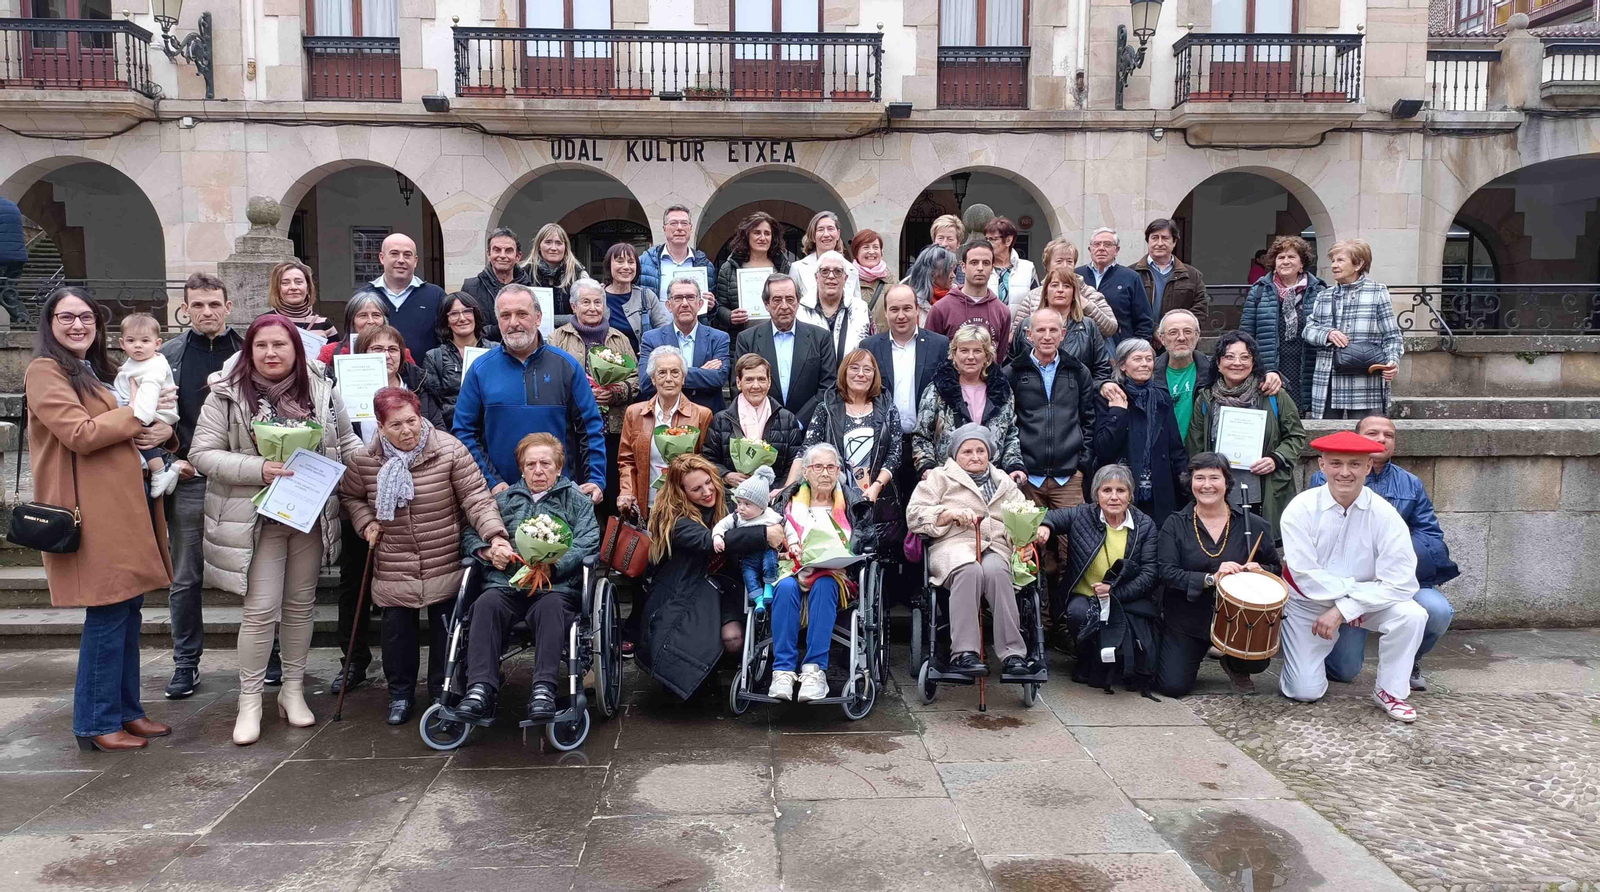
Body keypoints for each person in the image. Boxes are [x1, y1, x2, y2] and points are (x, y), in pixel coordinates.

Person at [189, 314, 364, 745]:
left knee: (301, 607)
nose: (271, 353)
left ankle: (292, 690)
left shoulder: (321, 389)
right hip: (255, 520)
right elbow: (202, 454)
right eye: (261, 345)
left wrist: (375, 467)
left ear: (296, 349)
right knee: (261, 610)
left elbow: (347, 442)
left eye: (280, 345)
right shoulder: (227, 393)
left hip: (308, 515)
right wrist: (259, 469)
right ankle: (250, 700)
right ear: (249, 350)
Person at [27, 287, 178, 751]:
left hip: (123, 504)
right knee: (109, 612)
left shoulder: (97, 370)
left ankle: (126, 711)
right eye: (67, 317)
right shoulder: (45, 370)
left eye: (87, 317)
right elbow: (80, 433)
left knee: (128, 611)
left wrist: (162, 428)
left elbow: (135, 426)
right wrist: (137, 413)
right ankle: (96, 722)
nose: (78, 325)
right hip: (91, 511)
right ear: (49, 323)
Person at [339, 387, 508, 725]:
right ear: (380, 426)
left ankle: (442, 693)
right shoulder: (364, 460)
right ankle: (400, 695)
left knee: (447, 632)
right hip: (394, 560)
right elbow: (350, 496)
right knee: (397, 634)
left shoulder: (449, 450)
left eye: (411, 421)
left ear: (421, 418)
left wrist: (495, 535)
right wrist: (366, 522)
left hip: (444, 556)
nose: (406, 431)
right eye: (396, 425)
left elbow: (476, 498)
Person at [1278, 431, 1427, 722]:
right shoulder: (1300, 509)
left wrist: (1346, 608)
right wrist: (1353, 599)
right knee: (1304, 690)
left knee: (1412, 615)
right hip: (1309, 604)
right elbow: (1305, 575)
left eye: (1354, 464)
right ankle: (1306, 663)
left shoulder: (1384, 514)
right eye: (1336, 463)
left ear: (1368, 467)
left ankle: (1391, 691)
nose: (1345, 472)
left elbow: (1401, 580)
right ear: (1322, 465)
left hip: (1364, 602)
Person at [453, 433, 601, 723]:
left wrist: (555, 566)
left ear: (559, 467)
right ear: (521, 469)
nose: (538, 471)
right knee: (485, 605)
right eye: (530, 464)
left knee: (551, 608)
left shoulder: (576, 501)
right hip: (505, 584)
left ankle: (544, 689)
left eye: (545, 464)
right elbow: (471, 534)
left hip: (555, 587)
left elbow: (588, 542)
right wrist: (488, 550)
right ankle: (479, 688)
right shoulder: (503, 500)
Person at [1312, 414, 1457, 692]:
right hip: (1350, 581)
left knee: (1437, 610)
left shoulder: (1411, 484)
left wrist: (1392, 553)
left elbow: (1430, 535)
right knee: (1344, 671)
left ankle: (1409, 660)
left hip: (1396, 576)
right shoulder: (1329, 476)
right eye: (1373, 434)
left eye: (1388, 435)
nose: (1381, 439)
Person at [160, 274, 244, 700]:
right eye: (198, 305)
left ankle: (266, 656)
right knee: (185, 577)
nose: (206, 312)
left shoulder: (247, 352)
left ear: (228, 307)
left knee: (255, 571)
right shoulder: (167, 356)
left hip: (241, 478)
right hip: (190, 479)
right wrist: (170, 461)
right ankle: (186, 662)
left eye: (214, 304)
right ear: (185, 308)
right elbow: (147, 417)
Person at [640, 454, 782, 700]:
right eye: (696, 489)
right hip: (685, 590)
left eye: (708, 482)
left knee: (734, 638)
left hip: (726, 585)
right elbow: (708, 542)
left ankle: (725, 667)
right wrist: (763, 534)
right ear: (681, 492)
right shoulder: (672, 517)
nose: (707, 492)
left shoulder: (730, 503)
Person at [454, 283, 606, 501]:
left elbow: (590, 428)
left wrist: (596, 479)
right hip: (501, 496)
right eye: (505, 315)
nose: (513, 323)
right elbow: (464, 431)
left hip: (559, 496)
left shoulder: (566, 366)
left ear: (538, 317)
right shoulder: (480, 369)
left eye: (522, 314)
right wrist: (491, 481)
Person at [906, 424, 1031, 677]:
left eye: (980, 451)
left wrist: (1022, 541)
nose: (975, 456)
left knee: (997, 571)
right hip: (953, 546)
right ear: (955, 454)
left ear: (989, 453)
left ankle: (1013, 654)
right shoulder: (939, 478)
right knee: (969, 570)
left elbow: (1020, 518)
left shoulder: (1004, 482)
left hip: (995, 547)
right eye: (967, 451)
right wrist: (947, 514)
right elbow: (914, 515)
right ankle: (964, 653)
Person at [1154, 452, 1281, 697]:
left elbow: (1276, 568)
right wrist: (1211, 579)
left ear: (1226, 482)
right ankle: (1193, 650)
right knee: (1172, 686)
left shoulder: (1253, 524)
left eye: (1214, 478)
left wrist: (1261, 571)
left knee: (1257, 661)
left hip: (1239, 621)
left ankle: (1234, 663)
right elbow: (1166, 572)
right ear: (1190, 482)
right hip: (1188, 617)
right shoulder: (1175, 524)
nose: (1207, 485)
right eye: (1199, 478)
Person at [1036, 464, 1160, 688]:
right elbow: (1047, 515)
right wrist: (1045, 525)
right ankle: (1086, 657)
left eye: (1121, 490)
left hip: (1124, 598)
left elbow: (1149, 573)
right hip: (1085, 598)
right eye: (1107, 490)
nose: (1114, 497)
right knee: (1077, 613)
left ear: (1130, 495)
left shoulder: (1145, 525)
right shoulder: (1082, 514)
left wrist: (1114, 591)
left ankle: (1113, 660)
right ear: (1096, 494)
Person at [766, 443, 874, 700]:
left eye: (831, 467)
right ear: (805, 471)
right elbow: (770, 538)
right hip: (793, 568)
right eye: (818, 467)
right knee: (785, 587)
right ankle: (782, 671)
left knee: (825, 585)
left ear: (838, 472)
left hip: (835, 574)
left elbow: (868, 542)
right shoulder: (786, 502)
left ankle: (814, 671)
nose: (825, 473)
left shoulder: (853, 503)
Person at [1186, 331, 1306, 536]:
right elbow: (1195, 447)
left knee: (1259, 548)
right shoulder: (1206, 399)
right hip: (1219, 492)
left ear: (1253, 362)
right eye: (1229, 356)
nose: (1237, 363)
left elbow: (1296, 436)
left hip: (1264, 491)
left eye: (1245, 357)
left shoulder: (1273, 395)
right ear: (1218, 363)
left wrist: (1276, 459)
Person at [1006, 308, 1096, 578]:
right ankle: (1036, 607)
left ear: (1063, 334)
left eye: (1053, 330)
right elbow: (1007, 423)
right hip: (1028, 479)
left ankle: (1072, 606)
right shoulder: (1012, 372)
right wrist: (1016, 464)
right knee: (1029, 553)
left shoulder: (1078, 372)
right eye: (1040, 330)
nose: (1047, 336)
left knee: (1076, 551)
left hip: (1068, 477)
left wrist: (1081, 465)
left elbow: (1089, 420)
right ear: (1029, 334)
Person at [550, 280, 640, 514]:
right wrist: (580, 396)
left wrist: (614, 393)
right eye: (586, 302)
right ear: (573, 306)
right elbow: (549, 379)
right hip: (573, 431)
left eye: (598, 302)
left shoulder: (619, 338)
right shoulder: (557, 339)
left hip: (612, 430)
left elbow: (636, 380)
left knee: (610, 492)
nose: (592, 308)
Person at [861, 284, 948, 512]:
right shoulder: (869, 347)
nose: (901, 315)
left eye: (907, 308)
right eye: (894, 309)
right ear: (886, 312)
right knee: (887, 511)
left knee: (924, 509)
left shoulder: (939, 345)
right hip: (884, 445)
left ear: (917, 309)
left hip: (925, 445)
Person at [1092, 338, 1187, 529]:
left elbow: (1175, 446)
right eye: (1137, 359)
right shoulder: (1111, 395)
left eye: (1149, 359)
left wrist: (1186, 482)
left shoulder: (1161, 396)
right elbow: (1102, 448)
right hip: (1122, 487)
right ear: (1122, 365)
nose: (1145, 364)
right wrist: (1118, 412)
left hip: (1160, 489)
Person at [1303, 238, 1402, 420]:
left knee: (1366, 432)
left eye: (1340, 260)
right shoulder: (1324, 295)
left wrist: (1392, 362)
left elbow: (1392, 336)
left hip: (1365, 379)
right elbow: (1308, 330)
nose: (1334, 265)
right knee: (1328, 434)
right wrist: (1327, 333)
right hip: (1328, 379)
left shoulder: (1377, 292)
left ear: (1358, 264)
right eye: (1333, 260)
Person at [913, 324, 1024, 481]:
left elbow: (1010, 435)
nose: (970, 357)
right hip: (948, 480)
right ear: (954, 354)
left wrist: (1014, 466)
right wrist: (927, 468)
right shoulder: (937, 390)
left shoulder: (1002, 391)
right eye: (964, 350)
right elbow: (921, 435)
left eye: (977, 351)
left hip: (991, 479)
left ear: (987, 356)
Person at [617, 345, 713, 517]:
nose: (669, 379)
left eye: (675, 372)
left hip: (687, 508)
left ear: (683, 378)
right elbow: (627, 460)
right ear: (653, 379)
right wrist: (627, 491)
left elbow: (706, 463)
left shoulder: (702, 415)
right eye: (662, 373)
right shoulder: (634, 413)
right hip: (647, 505)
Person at [733, 273, 836, 427]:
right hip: (761, 428)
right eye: (777, 300)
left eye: (790, 299)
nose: (784, 306)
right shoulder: (747, 339)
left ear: (798, 302)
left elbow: (828, 385)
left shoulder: (821, 338)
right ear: (766, 304)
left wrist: (798, 422)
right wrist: (765, 421)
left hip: (809, 427)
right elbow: (740, 386)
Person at [1240, 235, 1325, 411]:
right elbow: (1246, 334)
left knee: (1301, 413)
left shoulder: (1318, 291)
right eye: (1281, 257)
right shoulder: (1259, 291)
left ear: (1302, 263)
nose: (1285, 261)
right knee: (1272, 413)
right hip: (1268, 367)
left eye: (1291, 256)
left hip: (1306, 368)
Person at [705, 353, 805, 487]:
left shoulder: (787, 419)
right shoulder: (721, 420)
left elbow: (795, 461)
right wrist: (726, 475)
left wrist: (780, 491)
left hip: (775, 495)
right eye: (749, 380)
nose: (756, 385)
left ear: (769, 382)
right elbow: (708, 459)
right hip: (732, 494)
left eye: (761, 379)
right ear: (739, 383)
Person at [114, 313, 182, 498]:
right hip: (144, 408)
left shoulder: (155, 366)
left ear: (157, 344)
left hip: (153, 411)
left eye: (145, 340)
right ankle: (168, 467)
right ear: (122, 344)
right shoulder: (135, 362)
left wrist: (139, 418)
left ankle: (160, 472)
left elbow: (149, 392)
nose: (138, 345)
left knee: (143, 439)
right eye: (131, 340)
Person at [639, 274, 731, 412]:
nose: (685, 304)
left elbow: (719, 378)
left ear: (700, 304)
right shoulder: (651, 339)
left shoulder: (719, 338)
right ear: (668, 305)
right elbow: (646, 383)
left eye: (690, 297)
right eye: (678, 298)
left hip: (709, 416)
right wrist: (700, 372)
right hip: (665, 416)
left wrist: (666, 375)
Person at [1008, 268, 1113, 384]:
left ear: (1074, 294)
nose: (1060, 290)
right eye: (1054, 285)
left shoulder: (1088, 326)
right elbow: (1012, 366)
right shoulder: (1026, 325)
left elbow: (1102, 370)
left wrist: (1097, 388)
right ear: (1045, 292)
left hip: (1076, 393)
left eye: (1067, 286)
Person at [352, 232, 444, 358]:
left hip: (425, 370)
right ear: (382, 258)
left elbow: (446, 340)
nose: (401, 260)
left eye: (407, 255)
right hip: (376, 369)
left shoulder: (436, 295)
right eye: (394, 254)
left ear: (415, 261)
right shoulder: (363, 296)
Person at [1010, 238, 1118, 340]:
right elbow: (1017, 333)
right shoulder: (1033, 295)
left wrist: (1087, 306)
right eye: (1059, 261)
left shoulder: (1089, 293)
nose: (1065, 266)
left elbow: (1111, 328)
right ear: (1047, 265)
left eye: (1069, 261)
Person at [712, 465, 783, 612]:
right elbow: (721, 526)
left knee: (770, 563)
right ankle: (758, 601)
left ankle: (769, 587)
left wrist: (793, 543)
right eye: (739, 502)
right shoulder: (736, 517)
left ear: (761, 507)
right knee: (748, 575)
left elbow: (786, 529)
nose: (741, 508)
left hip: (766, 551)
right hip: (748, 555)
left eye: (747, 504)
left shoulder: (771, 515)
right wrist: (717, 536)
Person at [927, 239, 1013, 359]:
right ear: (963, 266)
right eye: (974, 262)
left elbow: (998, 359)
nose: (980, 268)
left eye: (986, 263)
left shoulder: (1002, 312)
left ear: (992, 268)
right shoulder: (941, 309)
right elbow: (930, 354)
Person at [421, 292, 493, 431]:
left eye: (467, 311)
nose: (462, 318)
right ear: (446, 321)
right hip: (453, 431)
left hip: (492, 430)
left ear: (475, 315)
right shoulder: (434, 357)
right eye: (454, 314)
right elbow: (434, 407)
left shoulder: (495, 350)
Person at [714, 211, 792, 337]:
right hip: (743, 338)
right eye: (757, 233)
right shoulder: (729, 268)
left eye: (767, 233)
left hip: (780, 335)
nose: (763, 238)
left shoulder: (784, 268)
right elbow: (719, 306)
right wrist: (729, 316)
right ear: (747, 235)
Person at [354, 324, 440, 438]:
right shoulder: (347, 391)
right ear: (362, 353)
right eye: (378, 349)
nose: (386, 355)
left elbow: (439, 432)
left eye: (393, 349)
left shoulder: (420, 387)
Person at [1078, 228, 1155, 346]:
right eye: (1097, 244)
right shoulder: (1077, 276)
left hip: (1119, 347)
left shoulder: (1130, 277)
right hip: (1082, 346)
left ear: (1117, 250)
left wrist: (1136, 349)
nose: (1101, 248)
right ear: (1090, 249)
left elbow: (1144, 320)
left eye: (1107, 244)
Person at [798, 249, 872, 363]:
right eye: (824, 271)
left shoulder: (861, 310)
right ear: (816, 277)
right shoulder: (800, 311)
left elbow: (871, 351)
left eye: (838, 271)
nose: (831, 276)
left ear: (845, 278)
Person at [638, 205, 716, 311]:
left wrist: (712, 305)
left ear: (690, 228)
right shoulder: (644, 263)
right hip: (655, 322)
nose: (679, 228)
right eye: (673, 223)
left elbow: (712, 312)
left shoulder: (706, 266)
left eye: (684, 223)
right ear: (664, 229)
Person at [1131, 219, 1210, 324]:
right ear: (1148, 241)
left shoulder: (1192, 275)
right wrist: (1148, 329)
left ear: (1174, 242)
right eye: (1154, 238)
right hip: (1140, 333)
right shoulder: (1131, 273)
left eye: (1165, 238)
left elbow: (1201, 309)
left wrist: (1174, 328)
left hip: (1177, 333)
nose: (1159, 243)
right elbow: (1124, 309)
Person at [459, 227, 532, 333]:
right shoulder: (470, 288)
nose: (502, 255)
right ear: (489, 254)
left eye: (508, 251)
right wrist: (496, 330)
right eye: (497, 250)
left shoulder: (530, 288)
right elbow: (466, 327)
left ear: (518, 256)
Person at [317, 293, 414, 370]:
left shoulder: (399, 353)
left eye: (376, 315)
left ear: (384, 320)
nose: (371, 321)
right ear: (351, 321)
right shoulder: (330, 352)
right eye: (363, 315)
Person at [603, 242, 669, 351]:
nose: (626, 267)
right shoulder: (598, 297)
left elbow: (664, 332)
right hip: (604, 359)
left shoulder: (647, 296)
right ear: (608, 265)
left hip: (642, 360)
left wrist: (650, 349)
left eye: (631, 262)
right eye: (620, 261)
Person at [790, 210, 859, 304]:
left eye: (830, 229)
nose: (826, 234)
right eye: (820, 229)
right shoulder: (797, 268)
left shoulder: (851, 269)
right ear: (813, 236)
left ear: (838, 234)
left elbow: (857, 306)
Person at [529, 222, 584, 327]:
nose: (553, 248)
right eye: (548, 242)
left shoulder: (579, 275)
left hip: (571, 333)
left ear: (565, 247)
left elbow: (584, 314)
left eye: (559, 243)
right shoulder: (524, 273)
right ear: (539, 245)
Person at [268, 260, 337, 343]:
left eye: (299, 282)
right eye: (285, 283)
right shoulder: (264, 322)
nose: (293, 287)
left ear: (308, 288)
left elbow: (336, 351)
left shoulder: (324, 324)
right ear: (277, 289)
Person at [984, 216, 1037, 307]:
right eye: (987, 239)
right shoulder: (982, 268)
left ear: (1008, 240)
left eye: (994, 239)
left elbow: (1036, 302)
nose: (988, 243)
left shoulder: (1027, 268)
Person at [854, 229, 898, 331]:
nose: (871, 252)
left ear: (881, 252)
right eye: (866, 247)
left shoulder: (893, 283)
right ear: (856, 253)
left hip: (885, 339)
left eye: (876, 247)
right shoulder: (847, 281)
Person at [903, 244, 959, 322]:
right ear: (932, 273)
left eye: (953, 270)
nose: (953, 276)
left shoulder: (959, 298)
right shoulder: (911, 302)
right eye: (949, 271)